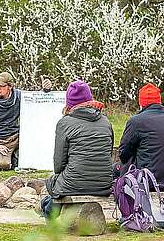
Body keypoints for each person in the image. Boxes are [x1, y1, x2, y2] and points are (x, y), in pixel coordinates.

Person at [42, 81, 114, 217]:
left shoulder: (64, 123)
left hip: (73, 182)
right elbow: (108, 154)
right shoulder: (106, 122)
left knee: (53, 182)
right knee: (62, 184)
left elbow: (59, 164)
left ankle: (48, 212)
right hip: (104, 184)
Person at [0, 71, 52, 170]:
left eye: (2, 86)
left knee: (35, 160)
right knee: (3, 165)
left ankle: (16, 158)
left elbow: (36, 100)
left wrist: (45, 90)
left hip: (18, 137)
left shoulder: (20, 96)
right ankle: (14, 159)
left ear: (10, 86)